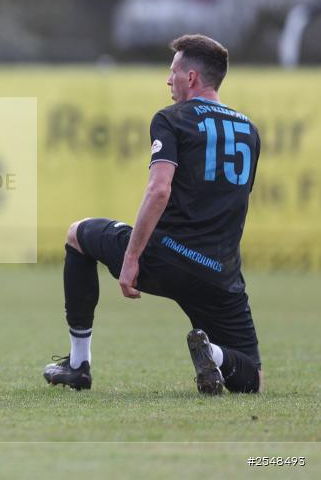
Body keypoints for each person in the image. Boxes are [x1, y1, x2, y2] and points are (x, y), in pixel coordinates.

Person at [43, 34, 263, 395]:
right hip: (219, 273)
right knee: (251, 377)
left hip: (164, 257)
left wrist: (132, 257)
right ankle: (216, 356)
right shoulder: (249, 131)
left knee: (77, 234)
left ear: (190, 78)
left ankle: (79, 364)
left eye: (173, 71)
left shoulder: (171, 118)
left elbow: (159, 189)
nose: (168, 79)